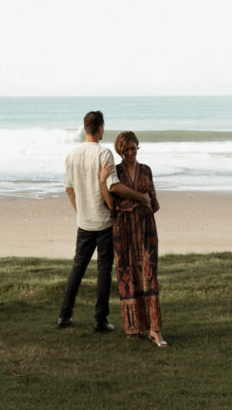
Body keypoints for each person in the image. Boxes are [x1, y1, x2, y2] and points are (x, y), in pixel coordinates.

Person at [58, 110, 151, 333]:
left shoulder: (72, 154)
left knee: (77, 268)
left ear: (85, 128)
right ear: (100, 128)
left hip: (84, 222)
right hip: (104, 223)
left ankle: (64, 315)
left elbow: (69, 188)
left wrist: (80, 211)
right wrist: (141, 197)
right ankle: (100, 320)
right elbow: (113, 186)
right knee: (103, 270)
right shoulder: (104, 154)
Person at [100, 130, 167, 347]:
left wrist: (138, 206)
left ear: (138, 146)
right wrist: (104, 183)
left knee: (149, 274)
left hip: (146, 228)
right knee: (127, 274)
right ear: (119, 151)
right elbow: (109, 202)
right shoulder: (115, 172)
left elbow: (153, 202)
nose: (130, 152)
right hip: (123, 230)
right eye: (125, 149)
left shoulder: (146, 170)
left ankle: (155, 329)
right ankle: (133, 326)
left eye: (133, 148)